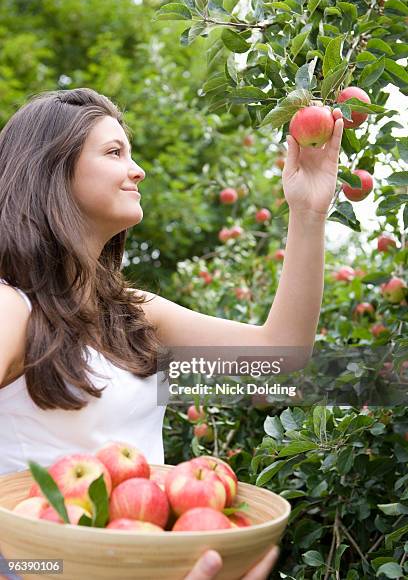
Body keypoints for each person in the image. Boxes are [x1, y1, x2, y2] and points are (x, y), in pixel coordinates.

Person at [0, 88, 343, 578]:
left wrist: (308, 212)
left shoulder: (132, 313)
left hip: (148, 559)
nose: (137, 170)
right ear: (51, 169)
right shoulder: (12, 308)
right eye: (114, 153)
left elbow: (281, 353)